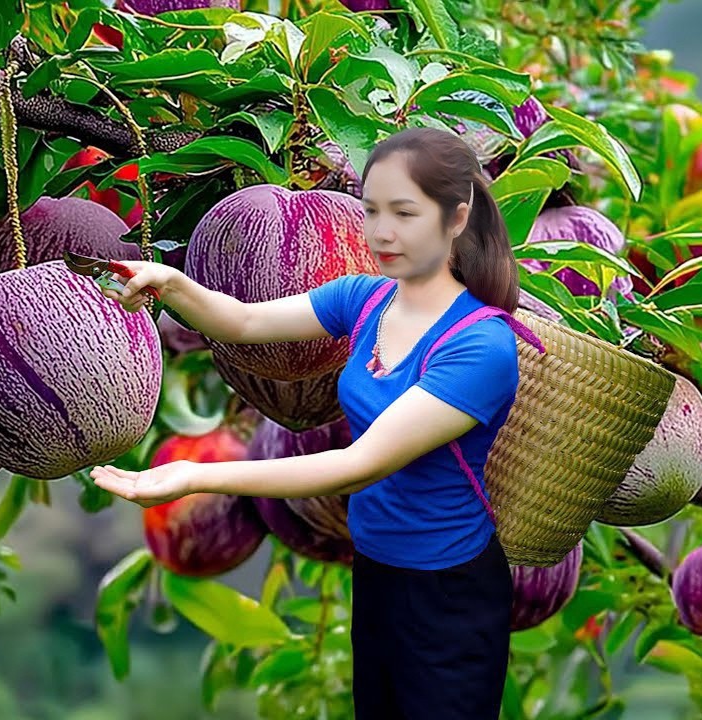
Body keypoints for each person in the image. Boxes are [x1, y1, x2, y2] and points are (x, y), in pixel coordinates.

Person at [88, 126, 523, 720]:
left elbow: (358, 462)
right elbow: (242, 323)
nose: (381, 232)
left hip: (449, 586)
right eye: (371, 210)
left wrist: (196, 477)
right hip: (378, 567)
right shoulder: (368, 299)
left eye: (404, 212)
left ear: (455, 218)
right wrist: (172, 285)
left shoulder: (482, 348)